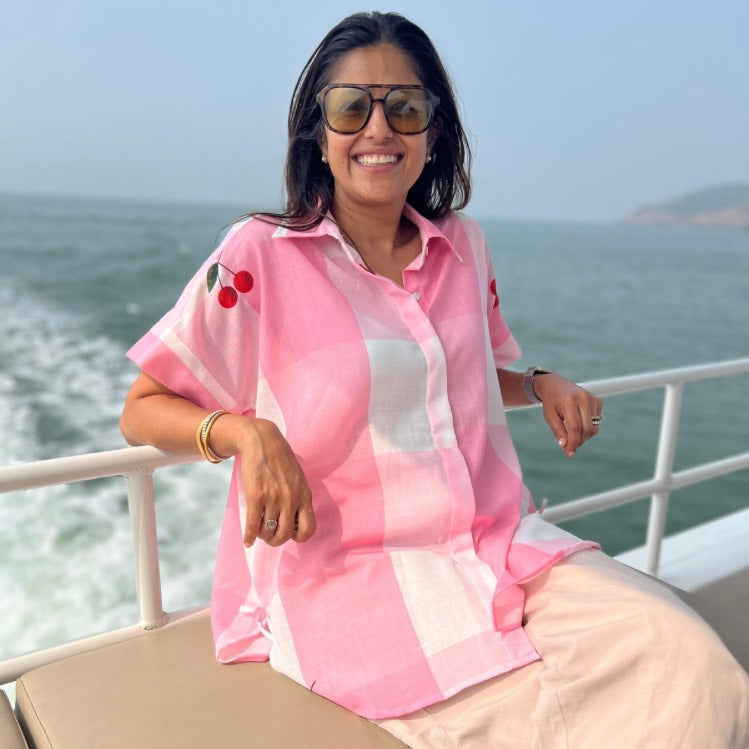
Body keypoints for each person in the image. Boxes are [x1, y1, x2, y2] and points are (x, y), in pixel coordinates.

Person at [120, 11, 749, 748]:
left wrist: (539, 382)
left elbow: (460, 369)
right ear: (316, 132)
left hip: (496, 544)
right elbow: (143, 409)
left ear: (434, 130)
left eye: (405, 107)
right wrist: (244, 433)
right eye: (350, 107)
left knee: (691, 662)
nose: (378, 129)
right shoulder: (258, 256)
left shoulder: (463, 247)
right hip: (351, 574)